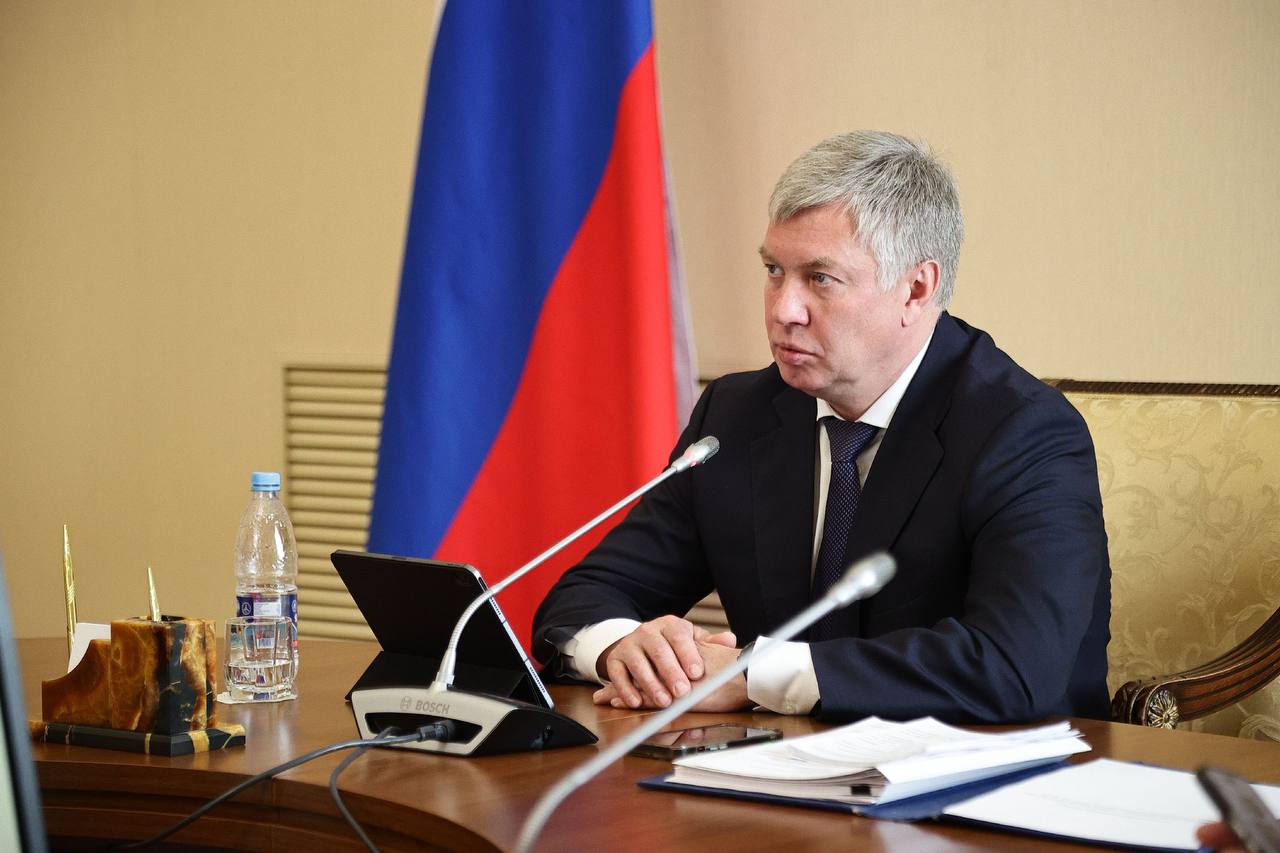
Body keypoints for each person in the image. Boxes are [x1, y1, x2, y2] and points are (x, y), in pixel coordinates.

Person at [531, 130, 1111, 723]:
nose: (783, 309)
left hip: (998, 767)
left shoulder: (1023, 433)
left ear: (916, 288)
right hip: (780, 761)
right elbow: (582, 599)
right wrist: (627, 650)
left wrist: (754, 674)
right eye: (774, 270)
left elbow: (1014, 667)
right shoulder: (737, 415)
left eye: (820, 279)